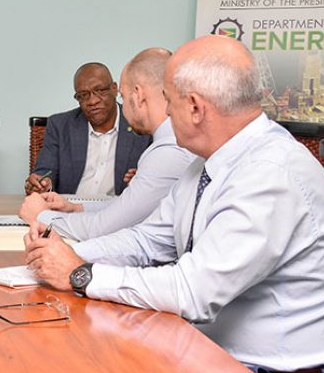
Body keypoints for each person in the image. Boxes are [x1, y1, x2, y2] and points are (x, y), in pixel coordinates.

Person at [24, 35, 324, 373]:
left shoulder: (270, 174)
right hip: (220, 362)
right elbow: (147, 241)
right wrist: (63, 255)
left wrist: (80, 274)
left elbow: (192, 290)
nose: (164, 114)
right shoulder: (203, 166)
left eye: (168, 100)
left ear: (196, 108)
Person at [19, 48, 196, 240]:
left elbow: (103, 228)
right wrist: (75, 207)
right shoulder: (173, 142)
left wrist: (42, 216)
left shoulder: (168, 151)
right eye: (84, 95)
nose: (93, 100)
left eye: (123, 96)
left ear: (137, 95)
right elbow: (129, 209)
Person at [26, 62, 150, 196]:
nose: (92, 101)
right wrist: (43, 184)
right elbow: (45, 171)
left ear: (114, 89)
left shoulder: (141, 125)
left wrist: (142, 181)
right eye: (83, 95)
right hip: (68, 210)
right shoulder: (60, 126)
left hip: (118, 211)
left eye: (100, 91)